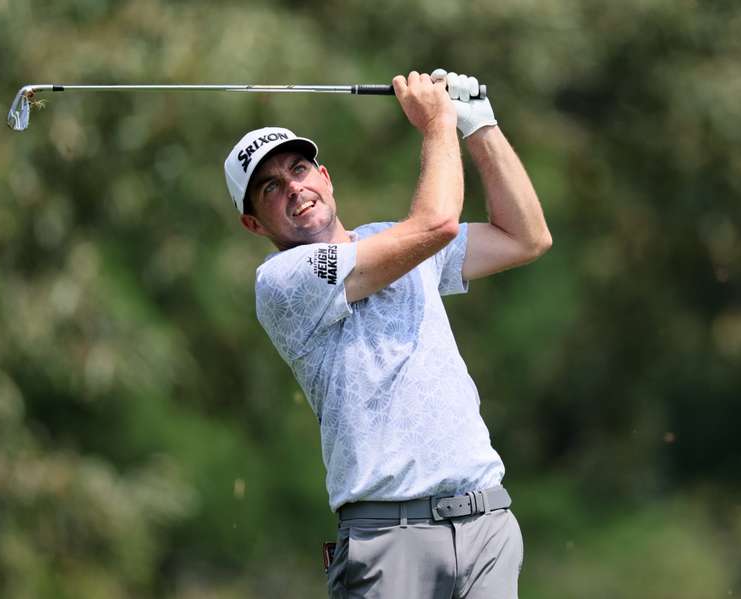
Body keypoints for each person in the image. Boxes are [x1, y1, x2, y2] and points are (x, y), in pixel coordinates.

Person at [223, 69, 552, 599]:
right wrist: (437, 122)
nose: (294, 189)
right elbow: (437, 224)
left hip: (484, 519)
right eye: (270, 187)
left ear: (325, 177)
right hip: (387, 537)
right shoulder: (282, 283)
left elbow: (526, 237)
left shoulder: (393, 241)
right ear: (254, 224)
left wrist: (478, 124)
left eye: (300, 170)